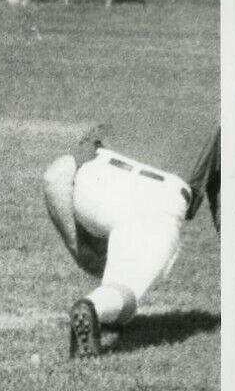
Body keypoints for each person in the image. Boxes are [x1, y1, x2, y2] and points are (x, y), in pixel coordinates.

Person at [43, 121, 221, 358]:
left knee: (122, 283)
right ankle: (94, 306)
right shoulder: (220, 119)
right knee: (125, 288)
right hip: (157, 198)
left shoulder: (128, 108)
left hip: (94, 186)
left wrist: (80, 249)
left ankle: (112, 307)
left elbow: (55, 176)